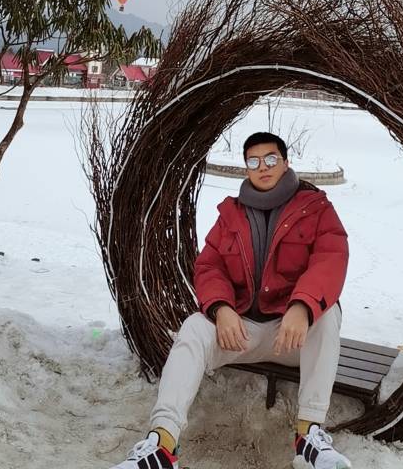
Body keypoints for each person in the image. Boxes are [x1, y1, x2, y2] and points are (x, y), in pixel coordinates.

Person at [111, 131, 351, 469]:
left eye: (271, 158)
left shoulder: (316, 209)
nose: (263, 166)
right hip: (242, 332)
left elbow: (331, 259)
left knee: (327, 316)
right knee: (194, 328)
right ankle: (162, 445)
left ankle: (309, 436)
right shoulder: (230, 215)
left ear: (285, 162)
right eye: (254, 161)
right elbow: (209, 267)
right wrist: (221, 309)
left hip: (292, 336)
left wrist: (302, 307)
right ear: (246, 168)